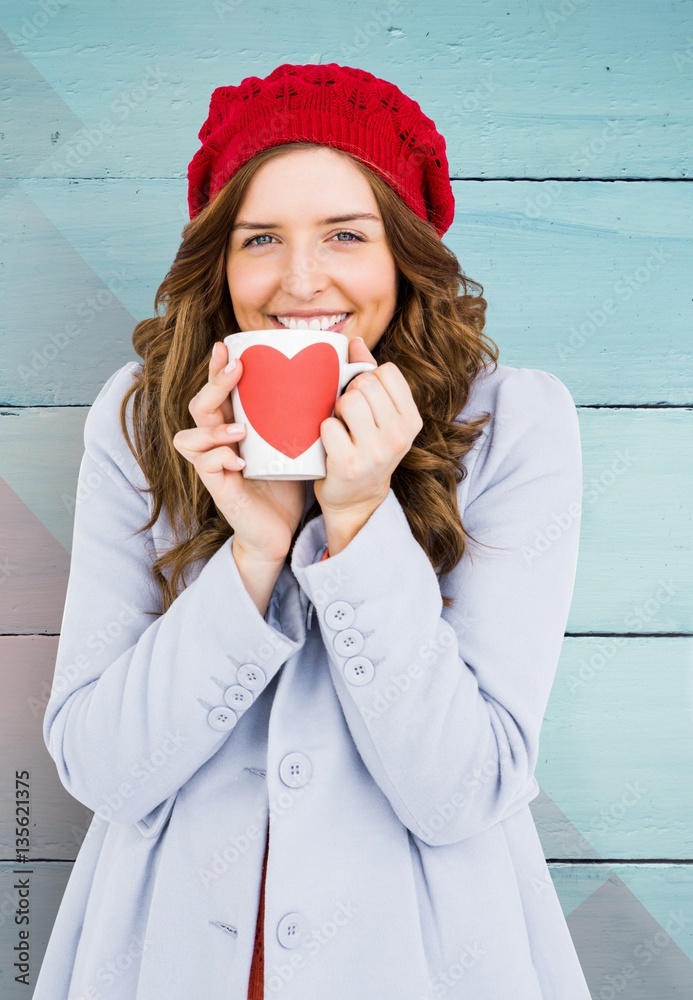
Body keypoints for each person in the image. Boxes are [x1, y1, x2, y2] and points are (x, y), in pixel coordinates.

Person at [34, 62, 591, 999]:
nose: (300, 281)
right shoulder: (141, 417)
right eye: (261, 238)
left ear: (401, 252)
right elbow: (103, 771)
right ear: (219, 258)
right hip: (163, 952)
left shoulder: (511, 423)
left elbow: (462, 790)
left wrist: (361, 521)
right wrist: (252, 556)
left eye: (344, 234)